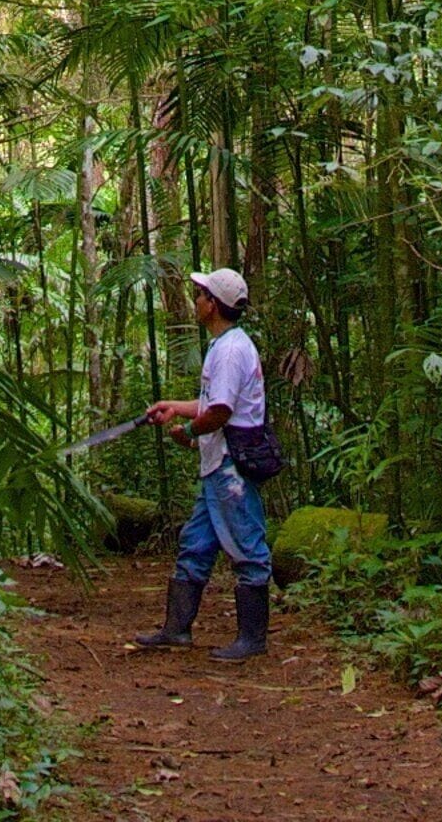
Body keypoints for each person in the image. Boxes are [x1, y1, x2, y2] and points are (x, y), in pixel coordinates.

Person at [129, 265, 274, 659]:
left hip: (231, 470)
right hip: (217, 467)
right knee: (195, 545)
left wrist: (189, 432)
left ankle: (252, 640)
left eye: (201, 295)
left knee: (247, 548)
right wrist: (176, 408)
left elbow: (221, 411)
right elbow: (212, 404)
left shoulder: (228, 350)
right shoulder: (227, 344)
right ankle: (176, 630)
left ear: (213, 305)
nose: (196, 301)